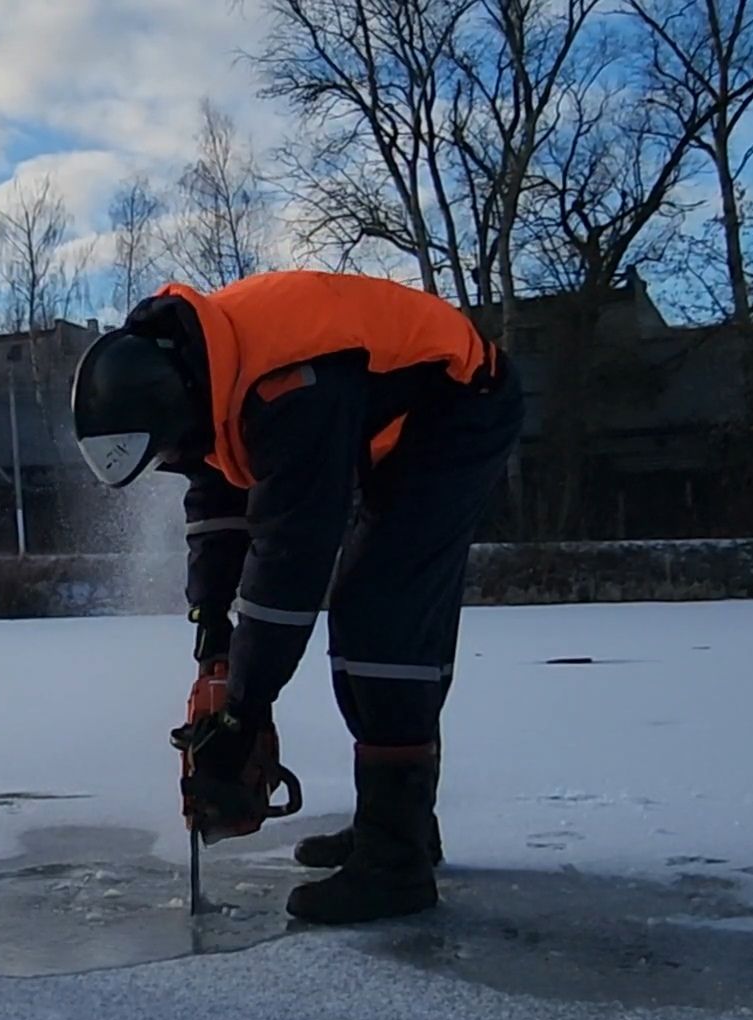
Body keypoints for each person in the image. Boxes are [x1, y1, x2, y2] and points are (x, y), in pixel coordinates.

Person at [69, 270, 523, 924]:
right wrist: (211, 627)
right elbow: (218, 507)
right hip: (399, 417)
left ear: (175, 411)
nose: (177, 462)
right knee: (377, 614)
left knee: (381, 615)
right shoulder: (205, 374)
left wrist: (244, 710)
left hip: (460, 406)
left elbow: (290, 559)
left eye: (172, 450)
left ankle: (396, 862)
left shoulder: (286, 387)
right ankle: (396, 825)